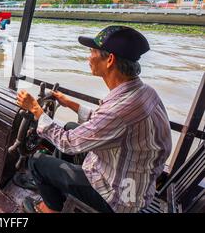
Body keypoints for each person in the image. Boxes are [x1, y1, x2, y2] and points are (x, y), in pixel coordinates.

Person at [16, 26, 172, 213]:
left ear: (110, 60)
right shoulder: (144, 92)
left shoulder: (119, 110)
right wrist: (71, 104)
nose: (88, 57)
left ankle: (50, 209)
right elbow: (106, 125)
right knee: (70, 125)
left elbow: (69, 143)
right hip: (135, 182)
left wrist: (35, 109)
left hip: (119, 197)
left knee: (37, 161)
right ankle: (56, 187)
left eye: (92, 51)